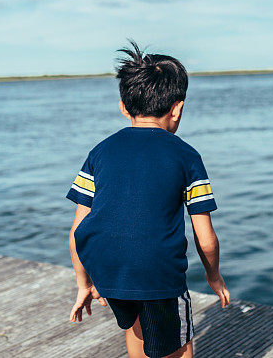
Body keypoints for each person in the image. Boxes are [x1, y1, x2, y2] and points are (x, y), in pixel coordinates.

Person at [66, 40, 230, 358]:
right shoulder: (186, 155)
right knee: (178, 348)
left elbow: (76, 230)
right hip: (158, 273)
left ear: (124, 107)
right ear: (178, 107)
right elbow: (205, 237)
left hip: (107, 269)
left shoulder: (98, 153)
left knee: (137, 328)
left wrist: (83, 283)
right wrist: (214, 275)